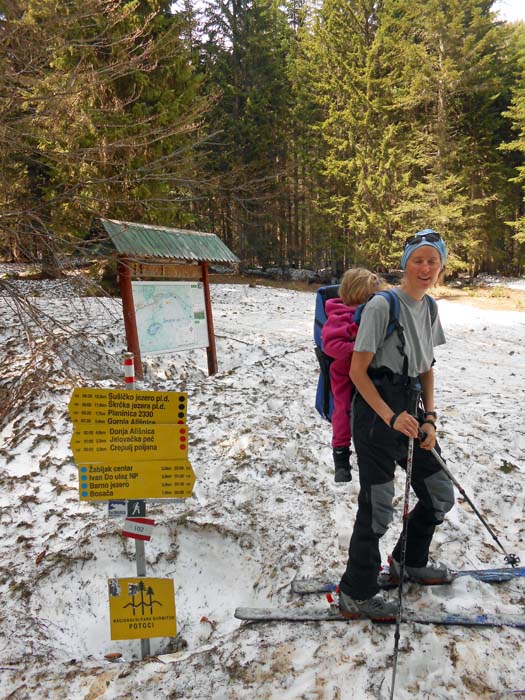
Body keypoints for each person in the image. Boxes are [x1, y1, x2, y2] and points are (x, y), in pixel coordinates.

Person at [338, 229, 455, 621]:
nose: (425, 268)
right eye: (418, 260)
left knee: (439, 493)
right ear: (406, 263)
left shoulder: (430, 307)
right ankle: (357, 591)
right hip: (375, 417)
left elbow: (426, 369)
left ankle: (409, 561)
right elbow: (357, 372)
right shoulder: (380, 307)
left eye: (432, 261)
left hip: (412, 414)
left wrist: (430, 418)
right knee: (377, 509)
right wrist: (390, 415)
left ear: (440, 265)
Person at [322, 268, 384, 482]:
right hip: (344, 373)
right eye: (372, 294)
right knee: (343, 410)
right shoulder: (339, 314)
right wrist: (358, 349)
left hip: (370, 371)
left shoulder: (372, 311)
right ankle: (341, 455)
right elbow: (330, 346)